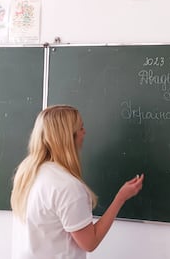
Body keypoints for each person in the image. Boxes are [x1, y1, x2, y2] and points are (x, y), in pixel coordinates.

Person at [11, 104, 144, 258]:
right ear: (68, 136)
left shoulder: (28, 173)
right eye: (81, 128)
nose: (84, 132)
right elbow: (90, 242)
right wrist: (121, 198)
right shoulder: (67, 186)